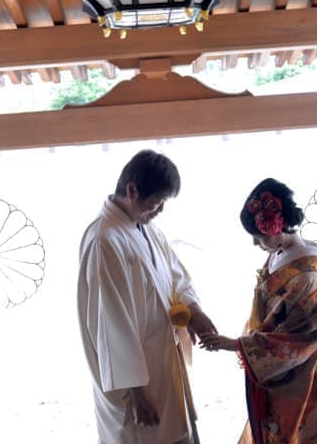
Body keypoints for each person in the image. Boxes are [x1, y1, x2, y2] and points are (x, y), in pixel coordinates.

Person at [199, 177, 317, 444]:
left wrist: (237, 345)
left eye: (258, 236)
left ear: (275, 226)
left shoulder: (307, 277)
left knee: (289, 435)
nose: (255, 243)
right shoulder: (282, 256)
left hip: (297, 376)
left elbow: (297, 339)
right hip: (276, 373)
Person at [77, 149, 218, 444]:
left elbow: (175, 274)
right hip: (137, 383)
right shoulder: (105, 240)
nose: (160, 211)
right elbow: (110, 325)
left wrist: (194, 311)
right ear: (132, 190)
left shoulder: (145, 228)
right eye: (156, 202)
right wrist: (137, 394)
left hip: (163, 361)